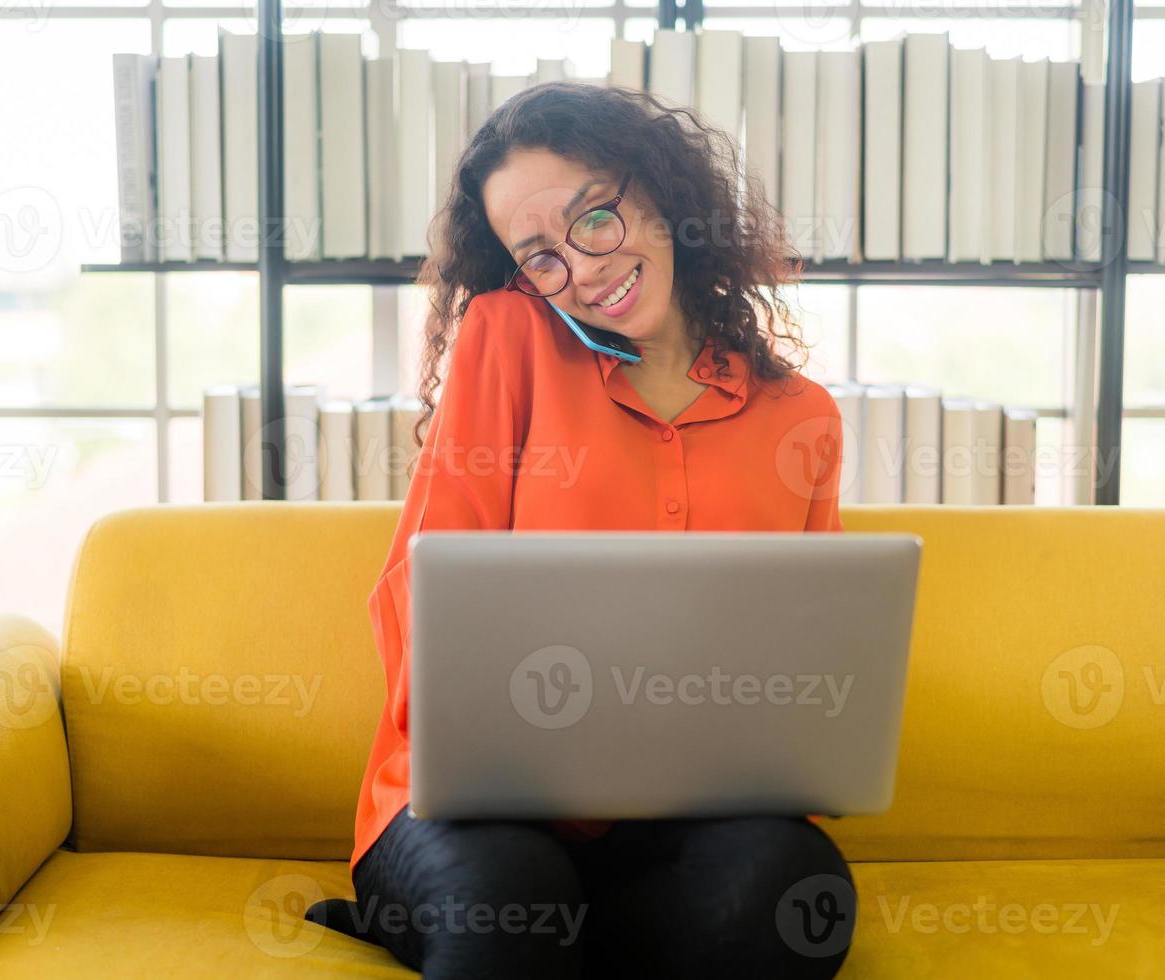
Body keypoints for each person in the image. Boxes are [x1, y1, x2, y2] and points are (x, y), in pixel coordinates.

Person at [309, 79, 857, 979]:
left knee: (795, 895)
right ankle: (526, 928)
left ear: (659, 190)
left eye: (594, 219)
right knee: (507, 905)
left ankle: (560, 935)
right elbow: (429, 586)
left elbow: (814, 658)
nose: (582, 269)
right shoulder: (508, 338)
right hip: (478, 814)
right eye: (541, 255)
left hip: (685, 821)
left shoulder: (802, 417)